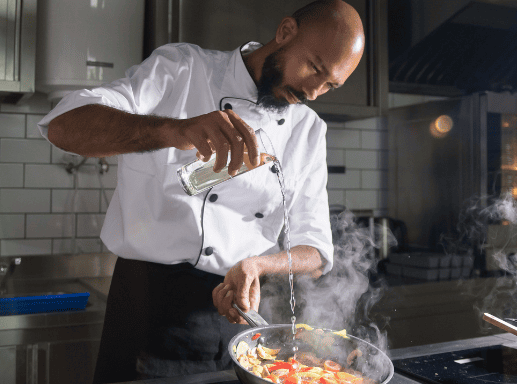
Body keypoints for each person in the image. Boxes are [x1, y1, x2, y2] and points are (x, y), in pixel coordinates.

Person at [36, 0, 365, 382]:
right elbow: (63, 126)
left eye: (330, 84)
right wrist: (176, 130)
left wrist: (259, 265)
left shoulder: (307, 130)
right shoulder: (183, 69)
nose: (313, 90)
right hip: (147, 306)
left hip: (236, 318)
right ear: (286, 32)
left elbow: (316, 251)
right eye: (314, 67)